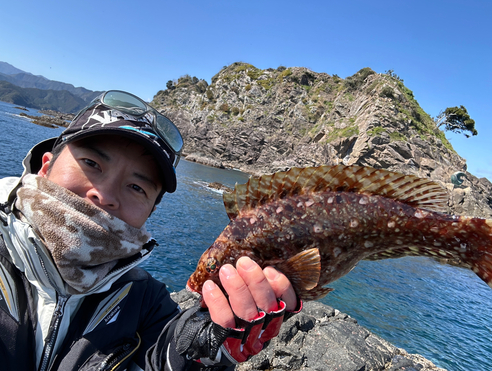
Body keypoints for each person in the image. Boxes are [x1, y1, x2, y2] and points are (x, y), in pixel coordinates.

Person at [0, 90, 301, 371]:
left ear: (150, 212)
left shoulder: (147, 302)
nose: (104, 195)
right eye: (91, 163)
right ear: (45, 165)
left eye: (136, 187)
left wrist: (209, 351)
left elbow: (166, 356)